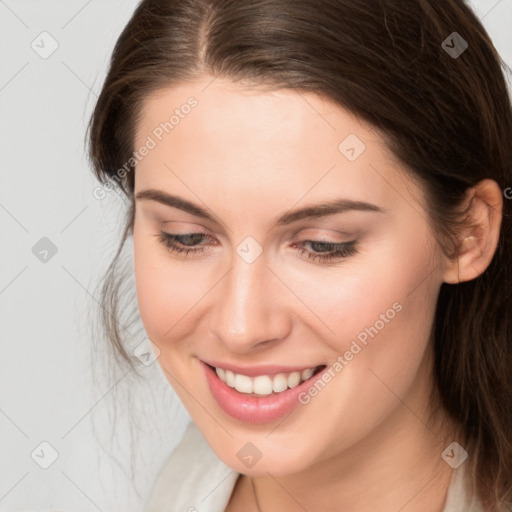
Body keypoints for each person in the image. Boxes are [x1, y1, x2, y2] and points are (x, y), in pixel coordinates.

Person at [87, 1, 512, 510]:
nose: (241, 327)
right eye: (187, 237)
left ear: (469, 233)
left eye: (322, 245)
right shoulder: (181, 486)